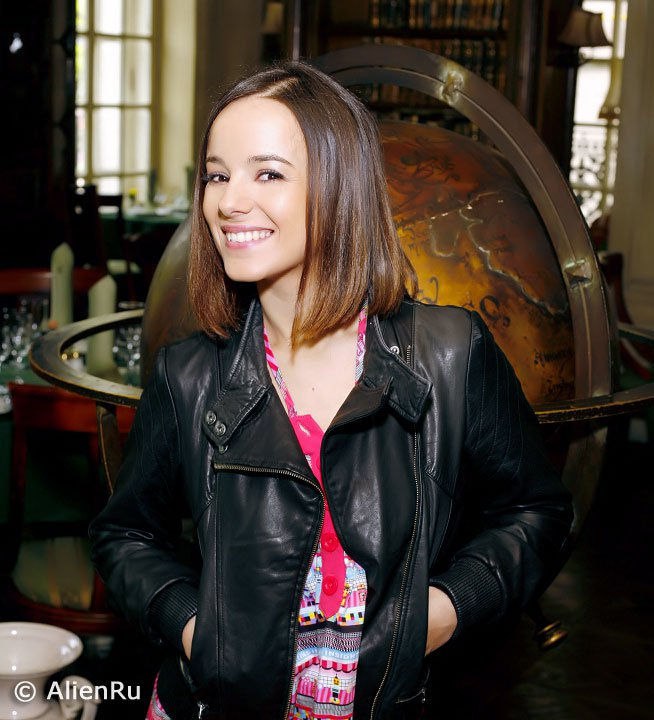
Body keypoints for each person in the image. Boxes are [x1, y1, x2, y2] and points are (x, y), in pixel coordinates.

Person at [89, 60, 573, 720]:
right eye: (216, 175)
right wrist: (196, 630)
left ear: (339, 187)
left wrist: (443, 611)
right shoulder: (189, 374)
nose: (228, 201)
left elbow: (537, 513)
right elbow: (125, 535)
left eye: (267, 173)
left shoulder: (451, 354)